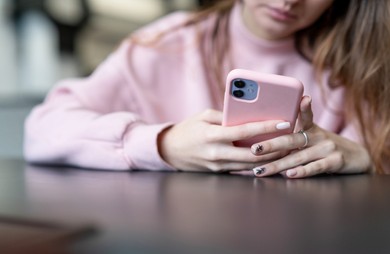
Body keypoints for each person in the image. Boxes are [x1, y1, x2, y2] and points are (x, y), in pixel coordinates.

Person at [24, 0, 390, 178]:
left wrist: (370, 160)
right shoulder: (165, 44)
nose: (288, 1)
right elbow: (41, 131)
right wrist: (163, 145)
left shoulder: (367, 60)